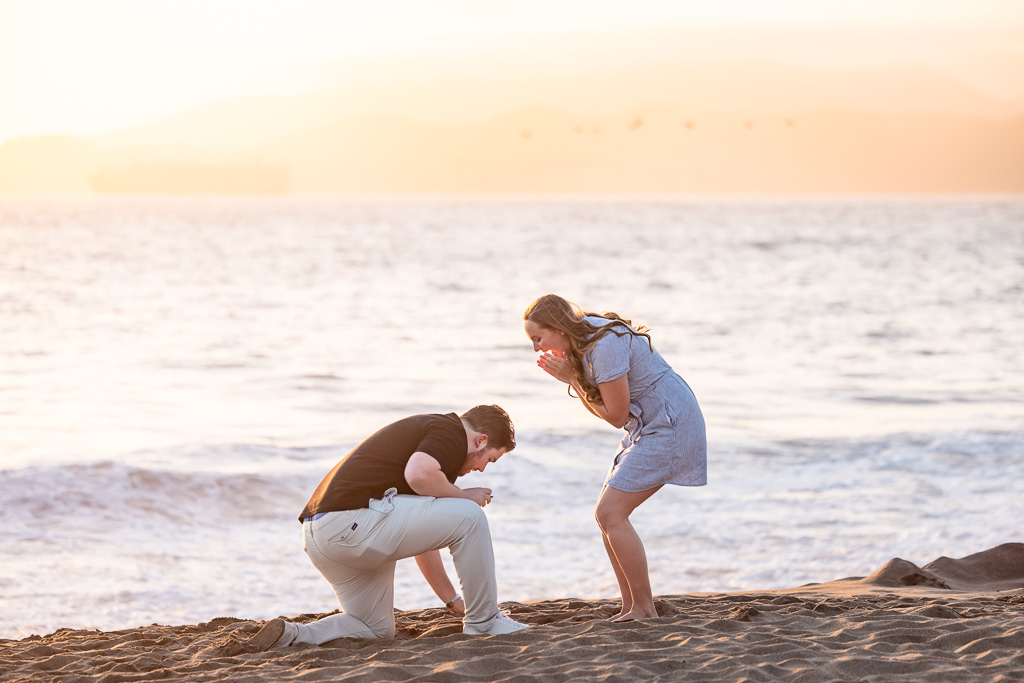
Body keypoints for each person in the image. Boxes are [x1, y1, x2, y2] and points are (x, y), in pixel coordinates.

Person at [247, 405, 529, 649]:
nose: (481, 469)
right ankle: (484, 622)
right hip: (351, 523)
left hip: (322, 537)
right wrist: (467, 496)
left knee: (374, 629)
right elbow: (418, 474)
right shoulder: (449, 430)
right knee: (470, 515)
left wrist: (453, 601)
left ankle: (293, 635)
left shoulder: (432, 446)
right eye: (489, 459)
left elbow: (424, 538)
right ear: (481, 440)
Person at [523, 294, 707, 622]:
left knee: (611, 513)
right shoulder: (584, 336)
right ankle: (631, 606)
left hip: (670, 422)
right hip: (650, 421)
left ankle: (644, 608)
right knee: (606, 515)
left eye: (538, 339)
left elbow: (615, 415)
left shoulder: (604, 346)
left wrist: (573, 380)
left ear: (559, 328)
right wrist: (575, 377)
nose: (537, 348)